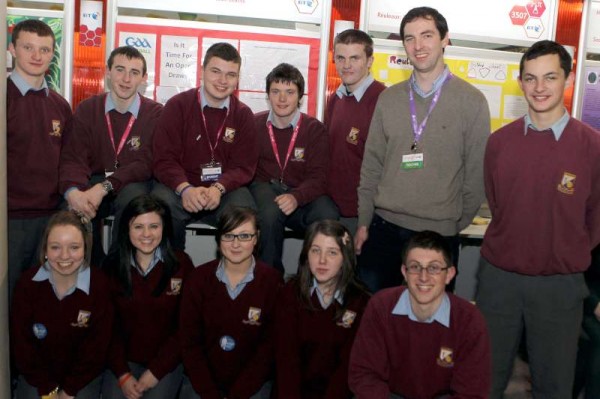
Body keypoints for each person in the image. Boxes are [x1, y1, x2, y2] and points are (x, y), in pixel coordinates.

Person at [476, 39, 600, 399]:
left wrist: (563, 249)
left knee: (554, 383)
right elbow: (498, 203)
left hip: (559, 285)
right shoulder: (499, 142)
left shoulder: (592, 147)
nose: (540, 87)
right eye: (530, 78)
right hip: (499, 279)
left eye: (550, 77)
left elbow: (595, 219)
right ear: (520, 82)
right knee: (484, 378)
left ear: (568, 78)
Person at [356, 6, 490, 292]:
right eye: (409, 38)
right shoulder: (388, 99)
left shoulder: (472, 102)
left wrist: (452, 221)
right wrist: (364, 222)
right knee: (376, 320)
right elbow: (371, 167)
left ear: (445, 39)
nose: (418, 46)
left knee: (429, 327)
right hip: (384, 229)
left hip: (439, 235)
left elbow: (476, 175)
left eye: (427, 35)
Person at [349, 230, 491, 398]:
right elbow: (363, 374)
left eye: (434, 268)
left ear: (449, 275)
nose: (424, 277)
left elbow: (471, 393)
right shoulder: (381, 306)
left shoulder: (469, 320)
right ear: (404, 272)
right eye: (415, 267)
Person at [60, 46, 162, 264]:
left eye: (134, 73)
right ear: (107, 72)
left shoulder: (155, 114)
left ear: (143, 78)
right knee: (75, 207)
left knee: (133, 202)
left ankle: (120, 267)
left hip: (131, 183)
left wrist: (105, 187)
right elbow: (73, 157)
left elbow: (145, 163)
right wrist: (73, 192)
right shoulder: (87, 109)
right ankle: (91, 271)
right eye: (120, 70)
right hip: (94, 180)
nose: (126, 79)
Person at [152, 42, 258, 251]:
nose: (222, 81)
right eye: (215, 71)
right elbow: (164, 158)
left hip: (222, 191)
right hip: (180, 189)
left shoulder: (244, 115)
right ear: (202, 71)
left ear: (237, 79)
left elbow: (244, 166)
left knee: (244, 212)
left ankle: (234, 278)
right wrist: (185, 189)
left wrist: (219, 188)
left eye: (230, 75)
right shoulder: (177, 106)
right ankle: (173, 275)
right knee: (159, 206)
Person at [179, 206, 282, 399]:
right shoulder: (198, 279)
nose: (235, 244)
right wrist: (209, 393)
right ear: (218, 239)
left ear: (256, 237)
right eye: (228, 236)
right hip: (202, 383)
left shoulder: (273, 282)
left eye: (244, 236)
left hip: (252, 385)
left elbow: (268, 349)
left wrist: (238, 394)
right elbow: (190, 344)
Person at [11, 210, 113, 399]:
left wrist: (69, 390)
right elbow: (22, 347)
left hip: (82, 378)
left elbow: (96, 349)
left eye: (74, 247)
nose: (65, 256)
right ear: (45, 250)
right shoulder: (27, 284)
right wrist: (48, 390)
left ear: (85, 248)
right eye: (55, 247)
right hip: (37, 377)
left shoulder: (100, 285)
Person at [101, 195, 194, 399]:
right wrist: (123, 375)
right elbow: (106, 328)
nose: (146, 234)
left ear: (165, 228)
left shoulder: (182, 265)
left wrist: (155, 372)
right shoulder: (111, 267)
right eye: (138, 227)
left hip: (166, 363)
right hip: (122, 362)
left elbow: (186, 327)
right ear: (127, 229)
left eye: (154, 226)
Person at [7, 19, 72, 301]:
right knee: (7, 299)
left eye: (45, 50)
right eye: (28, 47)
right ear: (12, 49)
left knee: (44, 301)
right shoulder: (3, 99)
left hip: (50, 219)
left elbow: (70, 160)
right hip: (8, 221)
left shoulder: (60, 105)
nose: (37, 56)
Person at [251, 63, 338, 272]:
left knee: (328, 212)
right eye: (276, 92)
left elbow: (319, 177)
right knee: (270, 215)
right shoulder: (254, 125)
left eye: (289, 92)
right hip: (266, 189)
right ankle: (269, 279)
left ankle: (307, 280)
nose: (282, 99)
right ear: (267, 95)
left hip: (302, 193)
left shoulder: (314, 129)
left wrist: (296, 197)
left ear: (300, 96)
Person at [274, 220, 370, 399]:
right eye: (315, 250)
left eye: (332, 252)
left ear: (345, 258)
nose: (322, 260)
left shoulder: (361, 302)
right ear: (306, 254)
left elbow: (347, 369)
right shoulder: (289, 294)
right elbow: (286, 363)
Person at [326, 29, 386, 234]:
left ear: (370, 61)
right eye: (341, 58)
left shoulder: (384, 101)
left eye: (355, 58)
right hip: (332, 210)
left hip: (365, 216)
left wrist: (366, 218)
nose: (347, 65)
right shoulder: (336, 99)